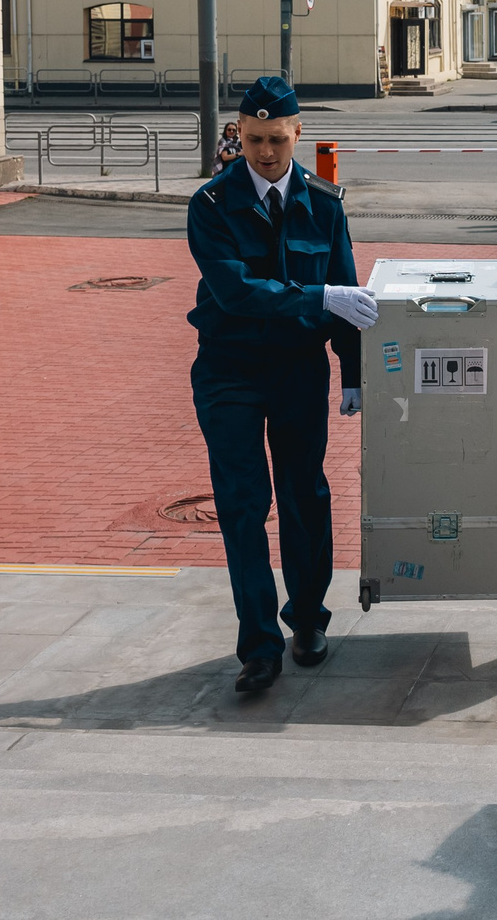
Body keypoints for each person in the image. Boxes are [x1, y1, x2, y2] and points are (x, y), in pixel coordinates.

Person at [186, 75, 378, 693]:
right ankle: (258, 647)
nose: (265, 152)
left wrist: (353, 372)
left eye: (276, 139)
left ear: (298, 134)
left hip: (298, 369)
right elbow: (237, 293)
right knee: (243, 507)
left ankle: (308, 620)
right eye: (253, 139)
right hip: (230, 371)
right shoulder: (211, 206)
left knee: (304, 496)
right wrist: (318, 295)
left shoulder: (325, 203)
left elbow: (349, 293)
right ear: (237, 135)